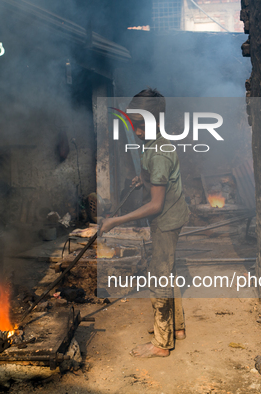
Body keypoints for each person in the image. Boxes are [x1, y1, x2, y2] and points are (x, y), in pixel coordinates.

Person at [100, 88, 190, 358]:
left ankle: (162, 344)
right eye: (133, 126)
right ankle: (178, 329)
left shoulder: (159, 153)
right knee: (167, 270)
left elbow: (155, 204)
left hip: (166, 219)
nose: (137, 133)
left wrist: (116, 220)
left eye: (141, 127)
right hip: (170, 215)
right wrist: (145, 180)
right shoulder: (151, 144)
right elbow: (156, 180)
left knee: (159, 276)